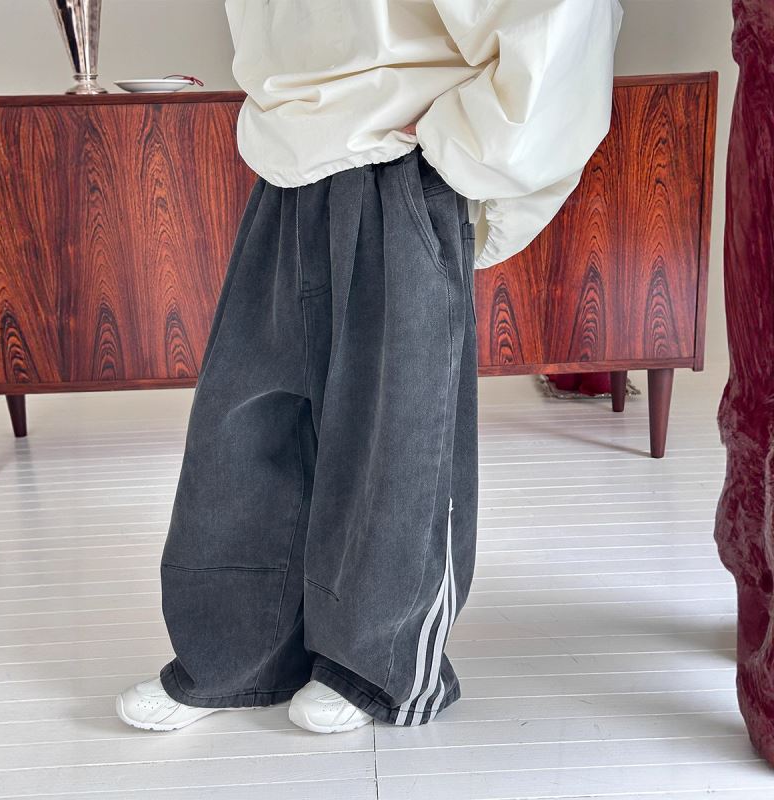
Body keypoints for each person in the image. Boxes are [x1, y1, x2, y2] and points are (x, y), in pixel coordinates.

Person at [116, 0, 623, 733]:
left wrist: (464, 146)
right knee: (245, 425)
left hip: (400, 156)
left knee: (397, 433)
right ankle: (232, 656)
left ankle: (375, 665)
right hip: (289, 162)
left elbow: (563, 16)